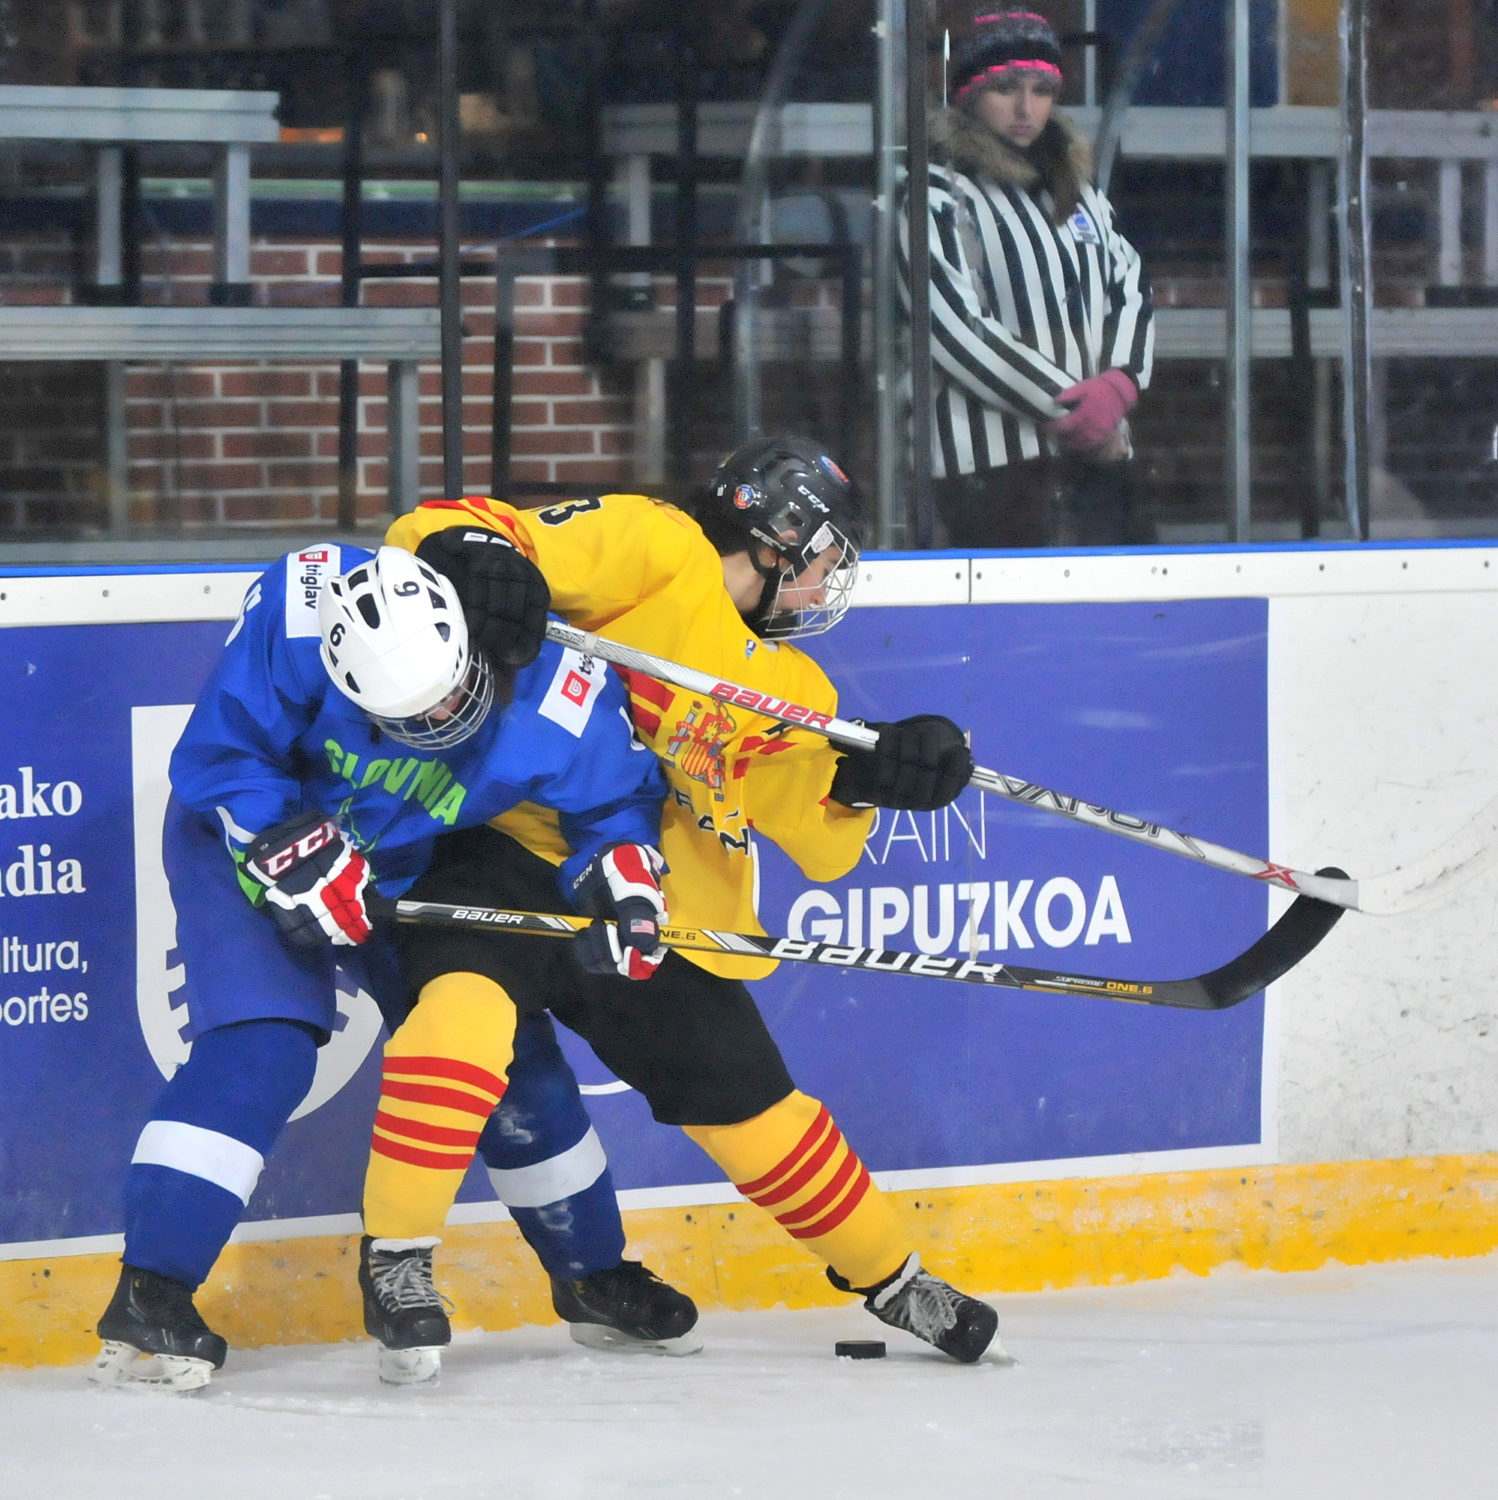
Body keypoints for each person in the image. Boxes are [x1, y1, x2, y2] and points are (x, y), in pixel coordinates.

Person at [374, 436, 1005, 1364]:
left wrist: (874, 777)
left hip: (647, 904)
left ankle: (896, 1278)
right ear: (776, 531)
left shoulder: (792, 687)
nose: (831, 577)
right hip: (505, 847)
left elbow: (821, 840)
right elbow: (441, 529)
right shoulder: (655, 546)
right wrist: (470, 559)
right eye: (825, 551)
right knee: (460, 1020)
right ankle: (396, 1262)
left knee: (752, 1102)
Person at [92, 543, 696, 1392]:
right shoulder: (297, 618)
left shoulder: (550, 673)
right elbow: (220, 758)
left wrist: (628, 882)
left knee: (499, 1046)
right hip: (257, 847)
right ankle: (150, 1293)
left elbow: (614, 803)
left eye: (456, 691)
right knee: (263, 1047)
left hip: (407, 859)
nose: (444, 718)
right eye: (409, 715)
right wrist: (277, 846)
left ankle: (593, 1274)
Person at [900, 9, 1156, 547]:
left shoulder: (1078, 190)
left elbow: (1129, 283)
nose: (1025, 107)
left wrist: (1119, 384)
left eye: (1042, 90)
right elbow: (952, 326)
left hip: (1100, 455)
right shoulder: (936, 189)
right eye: (1005, 88)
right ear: (970, 93)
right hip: (990, 467)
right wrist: (1073, 409)